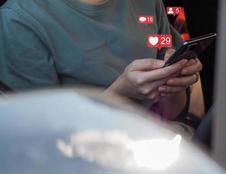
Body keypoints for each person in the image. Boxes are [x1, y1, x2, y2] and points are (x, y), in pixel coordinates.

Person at [0, 0, 204, 120]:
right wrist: (119, 94)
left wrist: (172, 81)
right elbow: (40, 138)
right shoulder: (20, 20)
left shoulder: (147, 3)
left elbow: (172, 114)